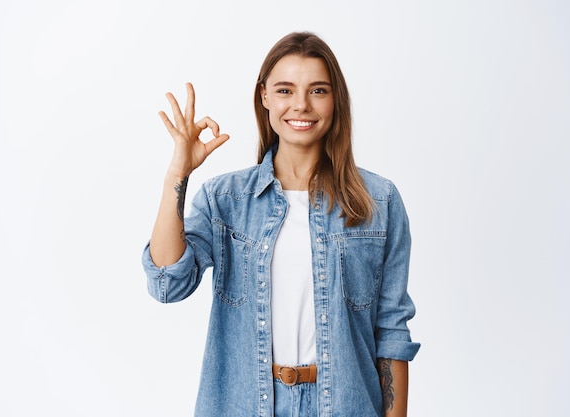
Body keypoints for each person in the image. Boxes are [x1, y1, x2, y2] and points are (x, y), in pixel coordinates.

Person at [142, 31, 420, 417]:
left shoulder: (379, 201)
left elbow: (390, 332)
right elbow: (167, 283)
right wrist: (178, 173)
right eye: (286, 90)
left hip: (344, 406)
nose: (301, 105)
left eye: (318, 90)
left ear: (335, 98)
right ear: (265, 97)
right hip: (242, 405)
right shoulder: (225, 200)